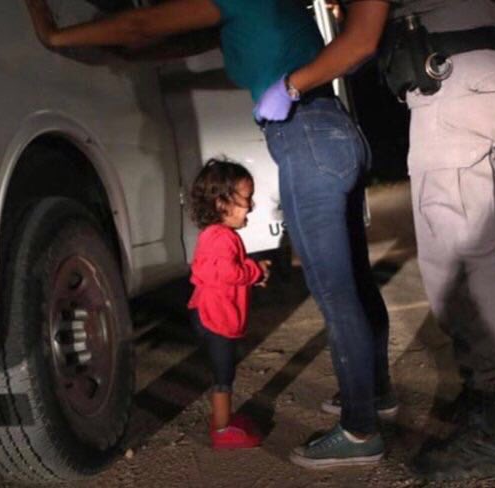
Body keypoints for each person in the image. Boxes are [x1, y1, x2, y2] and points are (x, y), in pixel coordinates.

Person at [24, 0, 394, 469]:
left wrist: (56, 36)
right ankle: (374, 393)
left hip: (305, 136)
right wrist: (120, 53)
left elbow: (142, 23)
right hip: (333, 130)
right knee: (355, 281)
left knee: (336, 292)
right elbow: (168, 42)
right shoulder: (265, 10)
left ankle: (360, 429)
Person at [257, 0, 495, 480]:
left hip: (457, 89)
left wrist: (290, 85)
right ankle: (485, 400)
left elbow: (361, 41)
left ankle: (489, 430)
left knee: (457, 270)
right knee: (480, 257)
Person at [187, 159, 270, 449]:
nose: (251, 206)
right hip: (215, 318)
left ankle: (224, 420)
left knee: (223, 370)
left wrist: (252, 274)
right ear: (222, 203)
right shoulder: (221, 237)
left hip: (208, 313)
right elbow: (227, 272)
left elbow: (221, 273)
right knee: (223, 374)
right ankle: (222, 429)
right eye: (246, 199)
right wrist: (255, 271)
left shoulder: (216, 235)